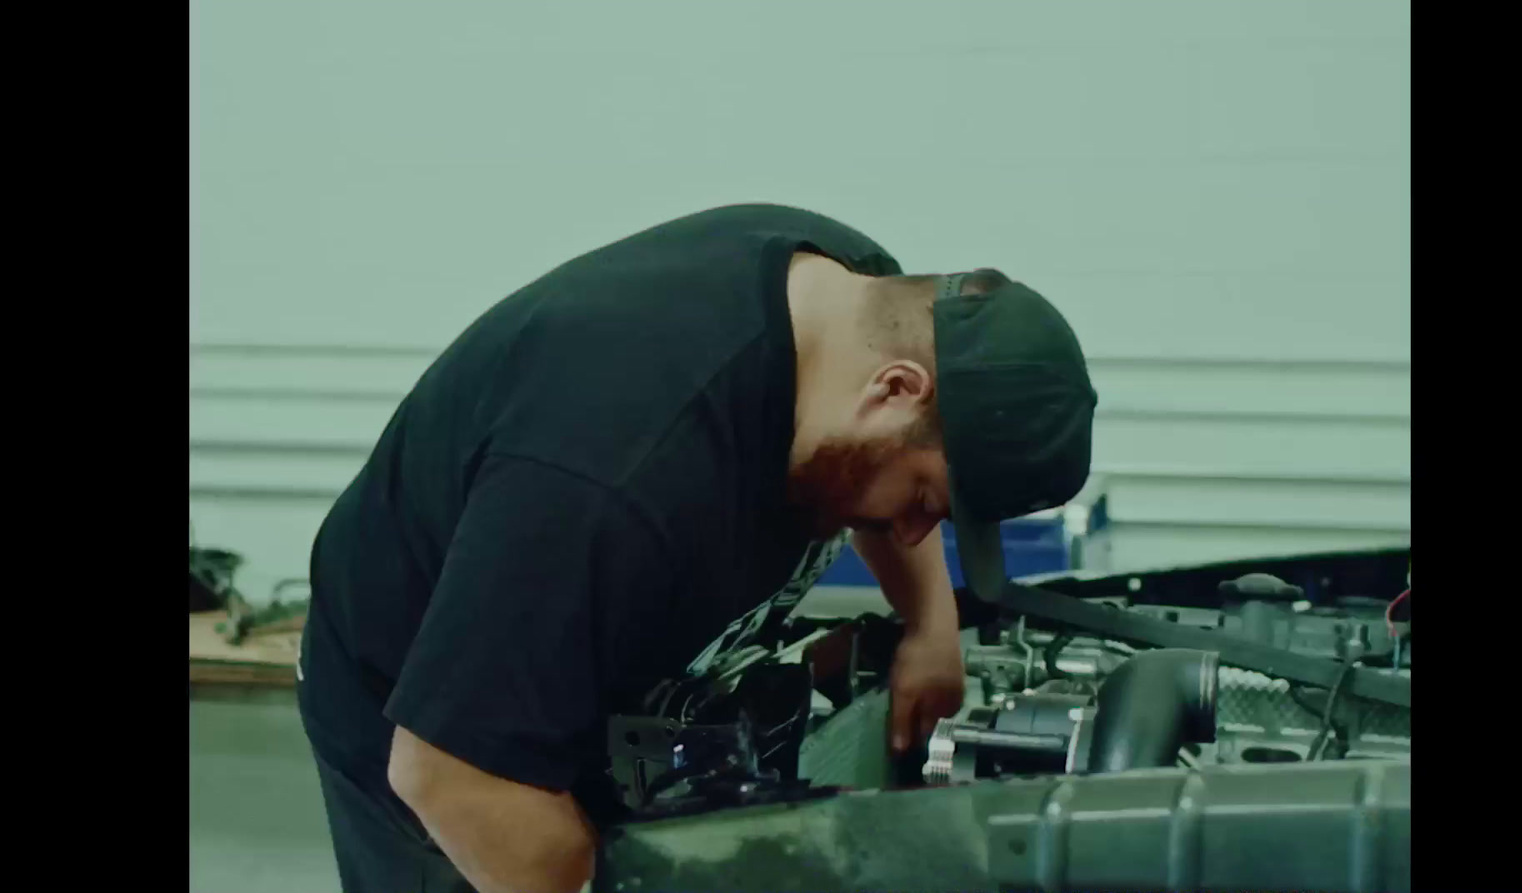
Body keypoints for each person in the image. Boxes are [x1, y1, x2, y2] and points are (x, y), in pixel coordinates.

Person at [296, 203, 1098, 892]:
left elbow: (903, 461)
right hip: (429, 722)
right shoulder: (613, 470)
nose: (913, 533)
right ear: (894, 389)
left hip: (585, 657)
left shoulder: (858, 299)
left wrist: (931, 621)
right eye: (924, 500)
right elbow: (450, 772)